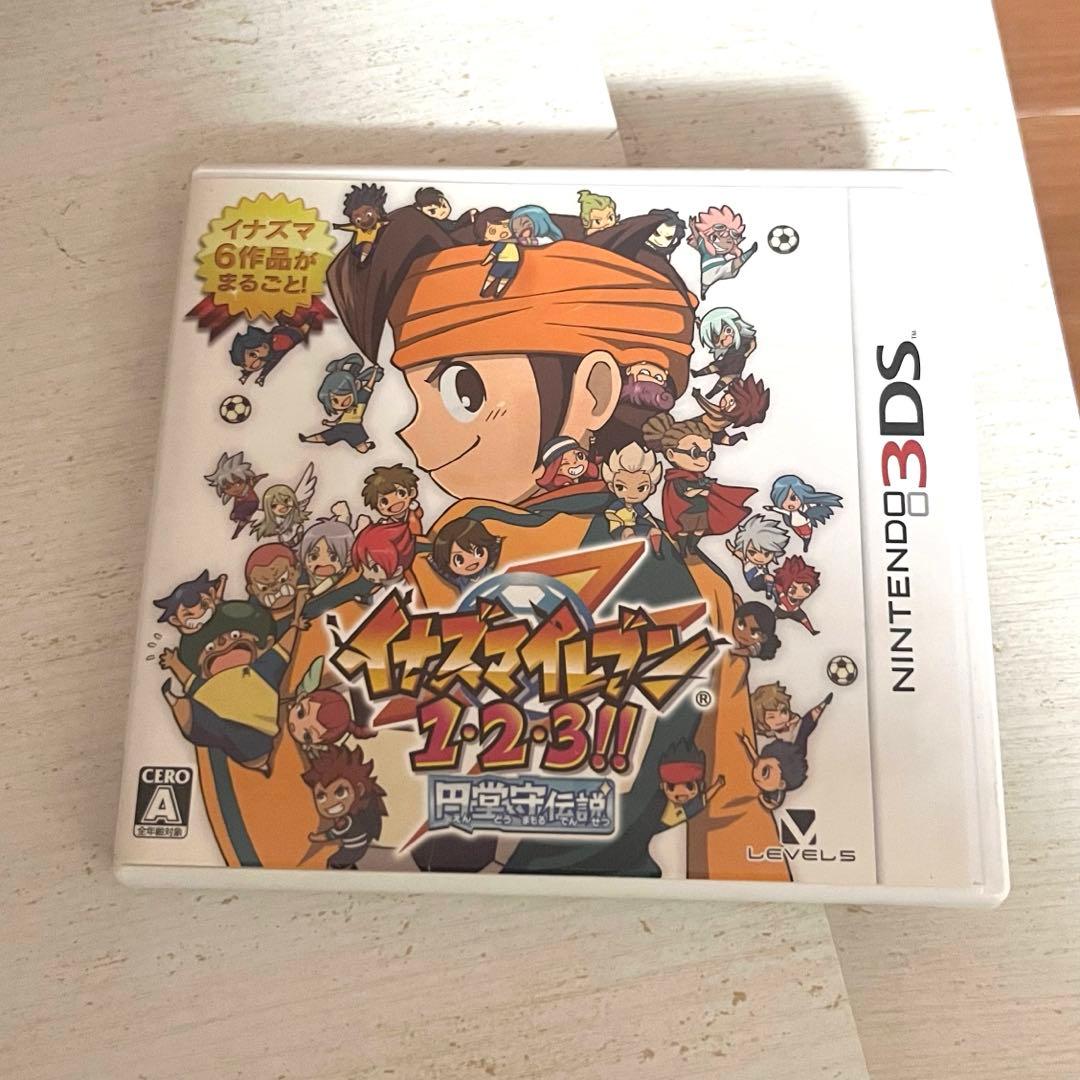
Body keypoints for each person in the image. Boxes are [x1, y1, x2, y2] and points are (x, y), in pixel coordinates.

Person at [157, 599, 306, 773]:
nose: (222, 643)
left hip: (256, 731)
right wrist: (174, 663)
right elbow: (190, 680)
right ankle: (185, 710)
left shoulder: (261, 670)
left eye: (235, 635)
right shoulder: (210, 685)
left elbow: (283, 649)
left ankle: (186, 711)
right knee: (213, 727)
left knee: (219, 730)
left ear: (263, 644)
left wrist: (294, 627)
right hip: (221, 727)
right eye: (210, 648)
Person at [645, 413, 755, 555]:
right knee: (684, 531)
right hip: (686, 512)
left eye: (709, 455)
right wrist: (702, 491)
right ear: (671, 454)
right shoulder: (677, 478)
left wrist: (709, 489)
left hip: (701, 509)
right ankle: (683, 550)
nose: (704, 461)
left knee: (699, 530)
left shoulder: (698, 476)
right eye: (696, 453)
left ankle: (692, 547)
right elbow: (686, 493)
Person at [302, 745, 388, 869]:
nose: (330, 802)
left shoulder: (346, 821)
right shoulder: (350, 817)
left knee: (333, 862)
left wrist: (313, 837)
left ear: (359, 789)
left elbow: (329, 835)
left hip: (352, 850)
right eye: (321, 796)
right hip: (356, 848)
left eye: (340, 792)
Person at [299, 355, 382, 454]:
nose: (340, 404)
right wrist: (328, 423)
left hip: (354, 428)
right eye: (334, 401)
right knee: (322, 437)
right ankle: (305, 439)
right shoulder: (345, 414)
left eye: (344, 397)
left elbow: (369, 386)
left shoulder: (360, 400)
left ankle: (368, 445)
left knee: (362, 449)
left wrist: (374, 372)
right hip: (340, 428)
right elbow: (337, 422)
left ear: (355, 386)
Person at [600, 442, 664, 552]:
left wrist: (656, 526)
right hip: (618, 528)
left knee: (655, 532)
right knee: (628, 532)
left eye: (641, 488)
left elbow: (647, 516)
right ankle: (631, 551)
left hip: (634, 527)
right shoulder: (619, 504)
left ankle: (656, 552)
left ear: (652, 488)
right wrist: (619, 520)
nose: (632, 494)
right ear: (611, 487)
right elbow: (608, 513)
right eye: (621, 487)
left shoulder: (637, 506)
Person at [687, 204, 758, 293]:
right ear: (712, 237)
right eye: (725, 238)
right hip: (710, 272)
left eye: (731, 239)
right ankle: (749, 253)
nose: (729, 242)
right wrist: (693, 227)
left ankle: (703, 291)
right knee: (729, 267)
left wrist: (737, 252)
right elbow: (698, 238)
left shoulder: (722, 254)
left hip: (721, 268)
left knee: (729, 266)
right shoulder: (705, 248)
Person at [765, 475, 842, 552]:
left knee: (806, 536)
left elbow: (814, 504)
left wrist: (819, 503)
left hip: (805, 525)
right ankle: (805, 541)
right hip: (795, 526)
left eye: (793, 498)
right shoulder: (789, 512)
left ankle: (806, 544)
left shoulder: (805, 507)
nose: (789, 504)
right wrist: (771, 508)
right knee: (802, 536)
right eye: (783, 500)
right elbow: (780, 510)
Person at [693, 307, 757, 398]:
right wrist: (700, 324)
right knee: (713, 367)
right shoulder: (727, 343)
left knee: (727, 378)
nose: (725, 338)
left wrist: (747, 353)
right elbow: (711, 333)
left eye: (728, 330)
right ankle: (697, 374)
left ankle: (711, 393)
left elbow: (753, 343)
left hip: (737, 362)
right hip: (726, 360)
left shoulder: (743, 339)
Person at [725, 514, 789, 598]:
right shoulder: (746, 559)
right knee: (769, 578)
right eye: (752, 552)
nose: (760, 558)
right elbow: (736, 552)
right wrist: (729, 545)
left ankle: (777, 594)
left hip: (763, 582)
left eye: (767, 554)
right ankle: (769, 593)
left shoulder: (764, 564)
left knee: (776, 582)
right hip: (753, 581)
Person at [429, 518, 502, 591]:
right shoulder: (460, 580)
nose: (470, 560)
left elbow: (494, 554)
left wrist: (497, 542)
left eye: (478, 552)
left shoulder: (487, 570)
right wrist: (432, 561)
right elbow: (444, 573)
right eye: (459, 560)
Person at [204, 452, 266, 538]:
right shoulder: (238, 496)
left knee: (243, 516)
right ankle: (236, 533)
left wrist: (262, 476)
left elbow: (255, 480)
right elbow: (236, 505)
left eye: (238, 483)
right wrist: (234, 513)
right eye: (228, 487)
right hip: (244, 507)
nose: (234, 489)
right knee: (242, 519)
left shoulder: (248, 486)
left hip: (252, 503)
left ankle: (238, 527)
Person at [228, 321, 310, 386]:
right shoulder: (266, 350)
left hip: (292, 335)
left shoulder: (280, 345)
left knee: (301, 330)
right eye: (244, 365)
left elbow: (270, 364)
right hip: (281, 333)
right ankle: (247, 374)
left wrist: (262, 376)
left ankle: (309, 320)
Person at [333, 183, 389, 263]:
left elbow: (388, 223)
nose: (365, 220)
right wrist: (337, 226)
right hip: (359, 249)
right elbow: (347, 227)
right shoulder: (358, 229)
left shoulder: (379, 225)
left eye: (368, 214)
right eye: (358, 219)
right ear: (353, 221)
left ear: (376, 211)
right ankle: (362, 262)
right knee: (367, 246)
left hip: (377, 247)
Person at [476, 208, 521, 297]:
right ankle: (484, 290)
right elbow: (493, 254)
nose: (502, 231)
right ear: (486, 238)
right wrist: (485, 262)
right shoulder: (501, 243)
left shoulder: (513, 240)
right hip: (502, 262)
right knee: (492, 276)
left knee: (505, 278)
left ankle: (498, 292)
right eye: (493, 231)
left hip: (514, 262)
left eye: (505, 225)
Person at [772, 555, 821, 635]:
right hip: (782, 610)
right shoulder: (782, 594)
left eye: (805, 589)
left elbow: (813, 589)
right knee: (772, 619)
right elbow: (777, 586)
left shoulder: (800, 598)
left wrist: (815, 586)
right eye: (793, 589)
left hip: (795, 610)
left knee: (804, 618)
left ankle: (812, 631)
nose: (800, 593)